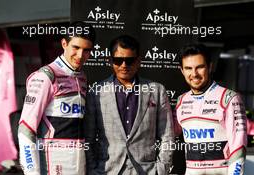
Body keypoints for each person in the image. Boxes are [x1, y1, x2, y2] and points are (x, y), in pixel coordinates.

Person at [85, 35, 174, 175]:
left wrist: (162, 169)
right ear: (110, 61)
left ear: (138, 61)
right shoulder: (97, 92)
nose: (124, 65)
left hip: (147, 171)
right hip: (107, 171)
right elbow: (88, 138)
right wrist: (93, 170)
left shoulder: (156, 90)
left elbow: (167, 134)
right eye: (118, 60)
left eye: (130, 60)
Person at [18, 22, 95, 175]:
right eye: (76, 47)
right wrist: (32, 172)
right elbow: (26, 129)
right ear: (64, 43)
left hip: (78, 165)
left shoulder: (82, 77)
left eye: (86, 50)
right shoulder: (46, 76)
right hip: (52, 164)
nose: (80, 55)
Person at [175, 43, 247, 175]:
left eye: (200, 67)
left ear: (210, 67)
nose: (194, 74)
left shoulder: (229, 98)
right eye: (188, 68)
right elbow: (167, 134)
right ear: (182, 70)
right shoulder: (181, 101)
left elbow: (238, 147)